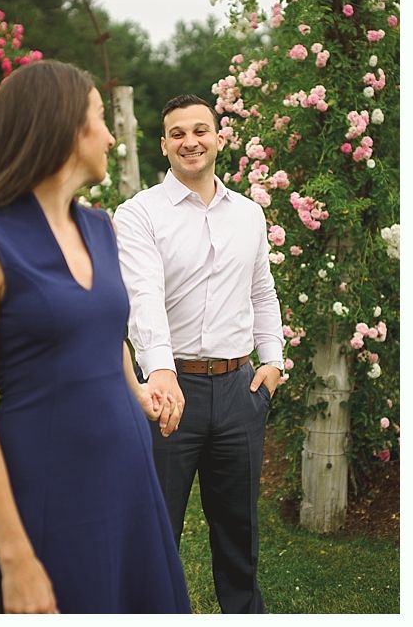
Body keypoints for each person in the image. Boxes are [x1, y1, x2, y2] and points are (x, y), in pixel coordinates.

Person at [0, 59, 191, 614]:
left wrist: (139, 390)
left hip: (127, 468)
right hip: (48, 479)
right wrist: (15, 558)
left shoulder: (102, 228)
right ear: (61, 128)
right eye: (99, 120)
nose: (109, 137)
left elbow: (106, 333)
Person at [112, 94, 285, 614]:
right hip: (170, 390)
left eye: (201, 130)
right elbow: (142, 301)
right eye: (178, 133)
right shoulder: (138, 214)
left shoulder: (249, 214)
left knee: (239, 527)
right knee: (153, 524)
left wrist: (272, 362)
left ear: (219, 137)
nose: (191, 141)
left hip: (239, 389)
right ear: (163, 145)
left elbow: (263, 291)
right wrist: (161, 374)